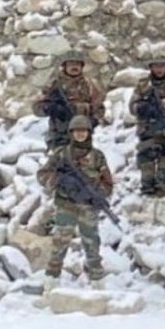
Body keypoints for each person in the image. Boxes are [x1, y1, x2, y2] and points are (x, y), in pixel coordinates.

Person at [37, 116, 113, 295]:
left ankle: (97, 284)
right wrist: (60, 181)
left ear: (89, 133)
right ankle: (51, 283)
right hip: (66, 206)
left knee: (92, 245)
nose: (80, 134)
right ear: (71, 133)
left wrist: (97, 194)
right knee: (59, 245)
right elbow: (42, 175)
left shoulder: (97, 156)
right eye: (77, 131)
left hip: (88, 207)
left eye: (84, 131)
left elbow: (107, 183)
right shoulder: (62, 154)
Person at [127, 53, 165, 223]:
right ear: (151, 67)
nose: (159, 69)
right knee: (146, 162)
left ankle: (162, 192)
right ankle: (147, 192)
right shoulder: (143, 84)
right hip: (147, 131)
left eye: (162, 66)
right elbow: (132, 106)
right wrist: (144, 107)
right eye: (156, 66)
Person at [32, 51, 106, 150]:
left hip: (82, 135)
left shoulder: (90, 85)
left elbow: (99, 108)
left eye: (77, 64)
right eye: (71, 64)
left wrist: (93, 120)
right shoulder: (53, 84)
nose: (74, 67)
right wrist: (53, 109)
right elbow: (37, 107)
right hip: (59, 134)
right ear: (65, 66)